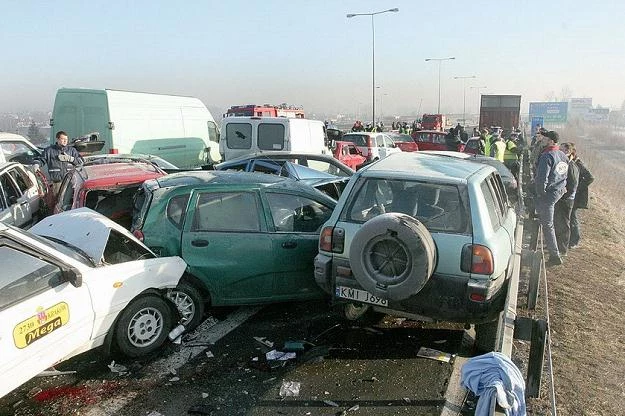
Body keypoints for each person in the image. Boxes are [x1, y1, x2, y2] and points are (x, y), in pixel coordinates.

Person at [535, 130, 569, 266]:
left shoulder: (547, 155)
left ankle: (555, 256)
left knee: (547, 224)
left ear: (550, 141)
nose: (542, 140)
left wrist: (540, 193)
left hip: (550, 193)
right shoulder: (562, 155)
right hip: (560, 190)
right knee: (551, 221)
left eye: (545, 139)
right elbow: (564, 174)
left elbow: (541, 178)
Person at [37, 131, 83, 196]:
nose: (65, 141)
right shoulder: (49, 150)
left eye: (66, 139)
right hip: (57, 183)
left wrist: (70, 159)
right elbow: (41, 160)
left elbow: (81, 162)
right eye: (63, 139)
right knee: (58, 201)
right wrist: (36, 164)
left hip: (71, 183)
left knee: (71, 200)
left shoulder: (72, 150)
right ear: (57, 139)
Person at [554, 142, 579, 256]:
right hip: (562, 197)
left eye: (562, 150)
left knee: (564, 224)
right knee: (559, 222)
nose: (560, 152)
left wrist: (565, 196)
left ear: (568, 152)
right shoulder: (564, 164)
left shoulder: (571, 165)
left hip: (566, 200)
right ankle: (558, 246)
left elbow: (573, 184)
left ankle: (562, 249)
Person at [569, 145, 594, 248]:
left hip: (577, 195)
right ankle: (571, 238)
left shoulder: (579, 164)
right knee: (570, 217)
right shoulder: (572, 164)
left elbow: (590, 177)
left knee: (573, 218)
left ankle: (575, 240)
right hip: (572, 194)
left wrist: (578, 187)